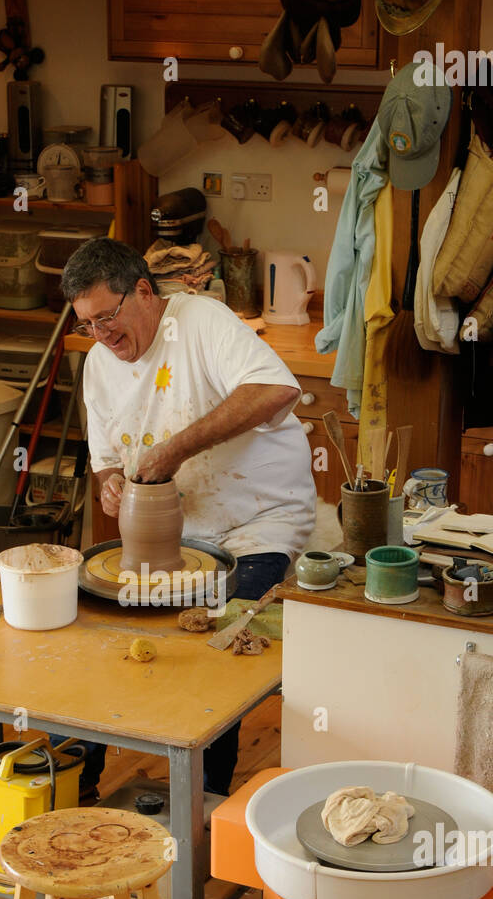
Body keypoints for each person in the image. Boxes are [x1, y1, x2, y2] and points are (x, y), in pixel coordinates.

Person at [60, 237, 315, 797]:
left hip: (257, 524)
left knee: (213, 654)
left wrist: (176, 449)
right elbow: (106, 464)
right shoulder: (100, 365)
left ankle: (202, 807)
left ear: (144, 292)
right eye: (87, 325)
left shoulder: (199, 322)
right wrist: (110, 489)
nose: (101, 335)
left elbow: (275, 389)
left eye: (108, 316)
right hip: (168, 543)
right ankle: (76, 791)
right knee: (92, 640)